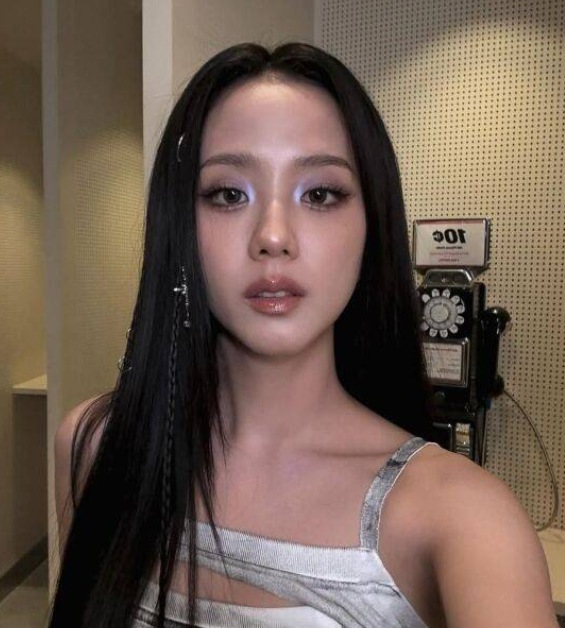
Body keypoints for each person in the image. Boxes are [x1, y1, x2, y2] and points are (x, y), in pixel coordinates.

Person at [49, 41, 557, 628]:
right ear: (179, 224)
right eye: (228, 194)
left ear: (371, 226)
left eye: (320, 194)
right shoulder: (96, 447)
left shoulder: (463, 520)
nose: (273, 236)